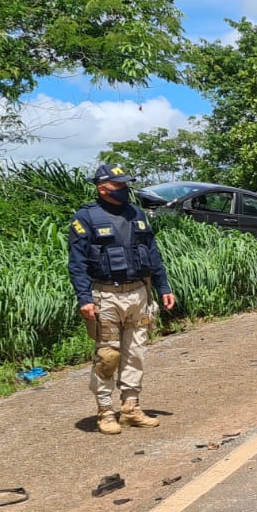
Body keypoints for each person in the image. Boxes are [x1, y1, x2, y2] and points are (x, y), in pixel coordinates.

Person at [67, 163, 176, 435]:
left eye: (126, 184)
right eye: (119, 185)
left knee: (136, 353)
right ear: (103, 188)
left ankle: (130, 409)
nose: (125, 189)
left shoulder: (136, 214)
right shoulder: (86, 218)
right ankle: (105, 412)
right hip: (105, 295)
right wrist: (84, 298)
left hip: (139, 292)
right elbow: (77, 263)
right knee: (108, 356)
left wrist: (164, 287)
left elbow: (152, 253)